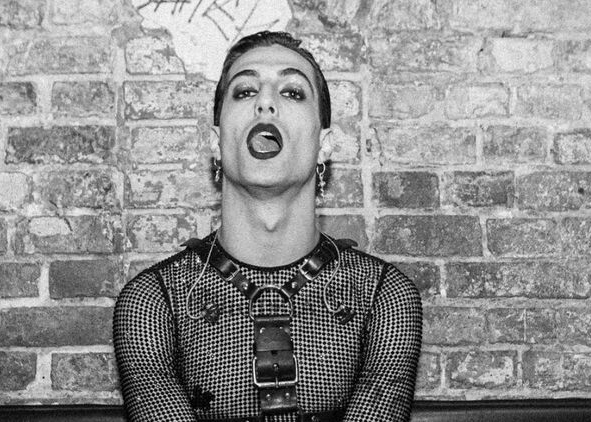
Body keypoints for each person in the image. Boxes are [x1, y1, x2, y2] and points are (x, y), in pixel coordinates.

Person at [113, 31, 423, 422]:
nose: (265, 102)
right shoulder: (153, 300)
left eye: (292, 92)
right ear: (216, 142)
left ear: (324, 145)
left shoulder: (382, 295)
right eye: (245, 91)